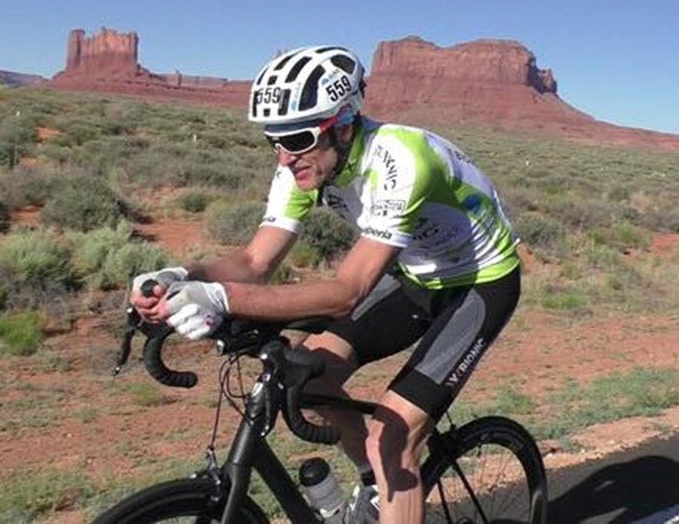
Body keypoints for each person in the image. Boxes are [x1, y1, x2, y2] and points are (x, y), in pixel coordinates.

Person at [130, 45, 521, 523]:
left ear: (342, 124)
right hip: (416, 275)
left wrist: (221, 298)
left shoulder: (401, 159)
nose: (285, 157)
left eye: (297, 138)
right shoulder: (300, 166)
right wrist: (180, 277)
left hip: (480, 283)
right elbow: (254, 262)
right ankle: (378, 492)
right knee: (313, 377)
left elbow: (348, 290)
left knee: (392, 437)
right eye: (273, 140)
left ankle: (390, 471)